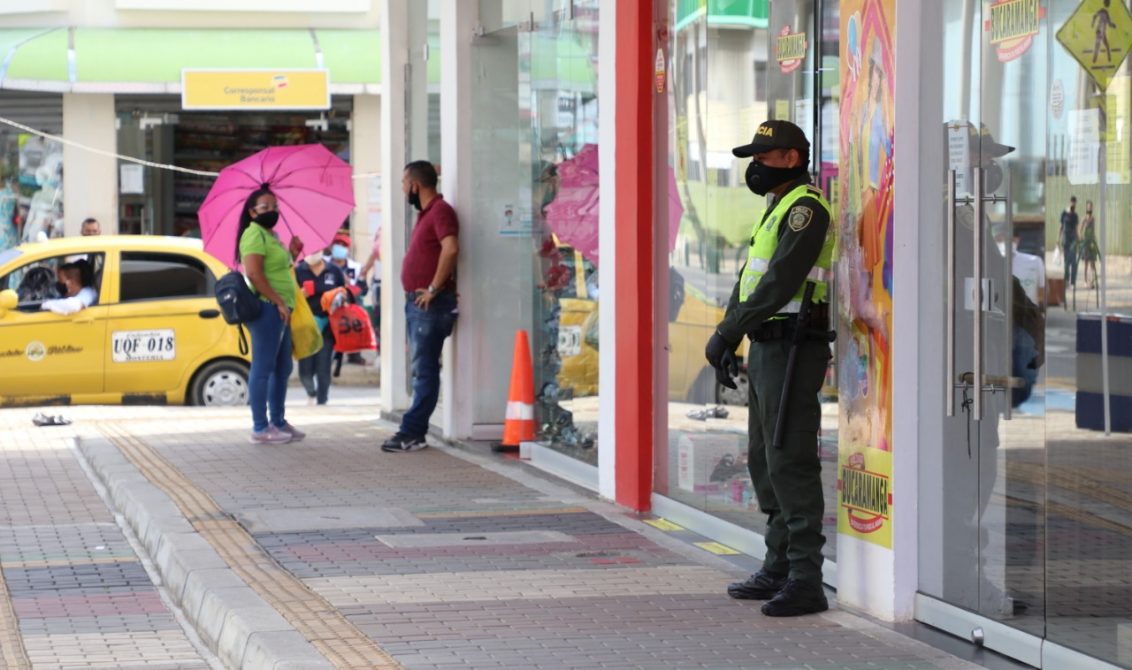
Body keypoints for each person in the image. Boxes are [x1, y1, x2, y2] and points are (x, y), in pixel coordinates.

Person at [705, 120, 833, 617]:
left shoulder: (806, 209)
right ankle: (778, 565)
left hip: (795, 346)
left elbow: (779, 283)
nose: (755, 165)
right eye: (753, 157)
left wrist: (730, 330)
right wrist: (728, 333)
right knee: (764, 458)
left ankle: (807, 579)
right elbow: (750, 278)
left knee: (789, 458)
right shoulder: (776, 209)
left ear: (792, 159)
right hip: (767, 346)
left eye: (764, 156)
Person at [381, 161, 459, 453]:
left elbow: (451, 248)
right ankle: (413, 430)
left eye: (404, 183)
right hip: (419, 302)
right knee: (421, 368)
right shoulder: (426, 214)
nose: (403, 189)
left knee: (423, 371)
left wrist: (435, 289)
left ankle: (412, 432)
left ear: (415, 184)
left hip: (430, 304)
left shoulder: (440, 211)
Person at [237, 186, 306, 445]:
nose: (272, 211)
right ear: (252, 212)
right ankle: (260, 426)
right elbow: (255, 274)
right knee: (263, 368)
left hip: (281, 309)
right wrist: (277, 301)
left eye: (275, 207)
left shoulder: (271, 235)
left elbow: (279, 268)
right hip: (267, 308)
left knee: (283, 367)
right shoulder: (253, 235)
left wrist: (293, 254)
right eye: (265, 207)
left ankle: (278, 421)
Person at [295, 252, 347, 405]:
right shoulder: (299, 271)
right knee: (305, 369)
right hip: (306, 325)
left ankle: (322, 400)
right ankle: (311, 392)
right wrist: (301, 295)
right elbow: (290, 296)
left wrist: (339, 297)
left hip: (328, 324)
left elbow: (344, 291)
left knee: (323, 366)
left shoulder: (334, 270)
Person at [360, 225, 382, 357]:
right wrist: (364, 273)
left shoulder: (383, 231)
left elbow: (374, 254)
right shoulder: (381, 231)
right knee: (379, 323)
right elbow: (374, 254)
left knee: (380, 322)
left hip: (383, 285)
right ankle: (380, 353)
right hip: (378, 286)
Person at [1059, 195, 1079, 293]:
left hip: (1073, 241)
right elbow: (1061, 227)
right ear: (1070, 202)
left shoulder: (1075, 215)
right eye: (1072, 202)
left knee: (1074, 263)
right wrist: (1057, 240)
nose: (1073, 204)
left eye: (1075, 203)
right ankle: (1066, 281)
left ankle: (1073, 283)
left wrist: (1078, 240)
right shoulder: (1064, 213)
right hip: (1066, 241)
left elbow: (1076, 229)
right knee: (1066, 262)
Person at [1080, 200, 1100, 289]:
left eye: (1091, 206)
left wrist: (1094, 240)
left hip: (1092, 242)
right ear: (1086, 207)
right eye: (1088, 206)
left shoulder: (1093, 218)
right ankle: (1085, 280)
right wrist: (1082, 239)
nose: (1090, 208)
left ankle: (1093, 281)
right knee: (1086, 263)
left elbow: (1094, 230)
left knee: (1093, 263)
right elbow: (1079, 229)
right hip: (1086, 242)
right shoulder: (1084, 218)